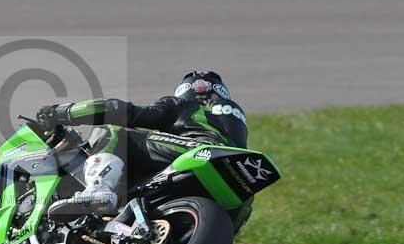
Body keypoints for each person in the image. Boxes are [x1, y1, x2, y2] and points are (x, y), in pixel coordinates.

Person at [36, 71, 250, 219]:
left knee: (115, 133)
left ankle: (98, 188)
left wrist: (62, 113)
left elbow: (119, 111)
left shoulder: (184, 105)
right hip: (229, 198)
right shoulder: (236, 122)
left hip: (197, 152)